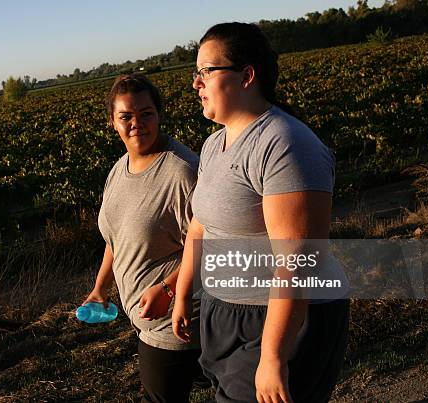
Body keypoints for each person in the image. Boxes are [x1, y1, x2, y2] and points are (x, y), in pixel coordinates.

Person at [171, 23, 350, 403]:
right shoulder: (214, 143)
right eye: (196, 73)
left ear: (247, 75)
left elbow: (298, 261)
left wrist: (272, 356)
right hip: (226, 311)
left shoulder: (285, 144)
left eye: (206, 71)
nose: (196, 83)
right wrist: (183, 293)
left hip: (279, 319)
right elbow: (201, 226)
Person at [83, 73, 204, 403]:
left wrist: (168, 288)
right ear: (113, 122)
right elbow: (116, 238)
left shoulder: (182, 172)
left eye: (146, 114)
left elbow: (213, 246)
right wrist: (100, 288)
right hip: (147, 323)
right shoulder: (119, 169)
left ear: (159, 115)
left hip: (179, 324)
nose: (136, 124)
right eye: (126, 116)